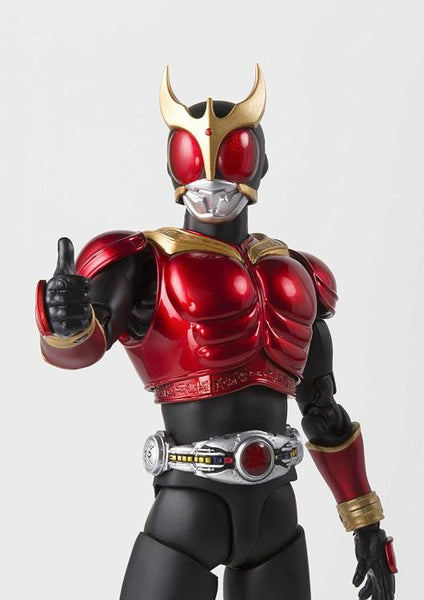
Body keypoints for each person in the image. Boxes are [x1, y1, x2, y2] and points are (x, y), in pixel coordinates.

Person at [35, 66, 397, 600]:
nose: (212, 175)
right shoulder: (143, 261)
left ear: (260, 163)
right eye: (195, 155)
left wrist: (366, 524)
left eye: (231, 155)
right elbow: (80, 348)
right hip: (189, 511)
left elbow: (322, 411)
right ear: (174, 164)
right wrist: (64, 321)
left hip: (276, 512)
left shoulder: (295, 274)